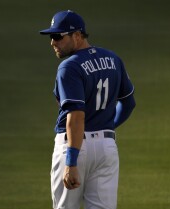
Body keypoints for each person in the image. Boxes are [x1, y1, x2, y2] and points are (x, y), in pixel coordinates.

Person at [39, 10, 136, 209]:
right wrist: (107, 127)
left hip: (73, 147)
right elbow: (128, 103)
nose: (52, 42)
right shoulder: (113, 59)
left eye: (58, 36)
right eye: (51, 37)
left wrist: (71, 161)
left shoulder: (69, 67)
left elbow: (75, 116)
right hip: (106, 149)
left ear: (77, 36)